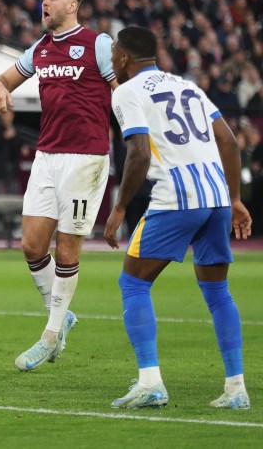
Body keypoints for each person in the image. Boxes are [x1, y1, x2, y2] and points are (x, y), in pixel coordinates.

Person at [104, 26, 252, 410]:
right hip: (216, 195)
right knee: (218, 292)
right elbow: (229, 142)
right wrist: (235, 198)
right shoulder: (188, 86)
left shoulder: (127, 91)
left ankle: (150, 382)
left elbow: (138, 152)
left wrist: (120, 207)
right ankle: (236, 389)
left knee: (133, 283)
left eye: (114, 55)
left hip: (178, 195)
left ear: (122, 58)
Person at [0, 0, 117, 371]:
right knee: (31, 246)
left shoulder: (98, 44)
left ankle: (50, 333)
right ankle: (61, 317)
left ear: (73, 5)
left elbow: (125, 92)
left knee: (66, 250)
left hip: (86, 157)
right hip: (47, 155)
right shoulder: (40, 48)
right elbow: (4, 79)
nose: (43, 2)